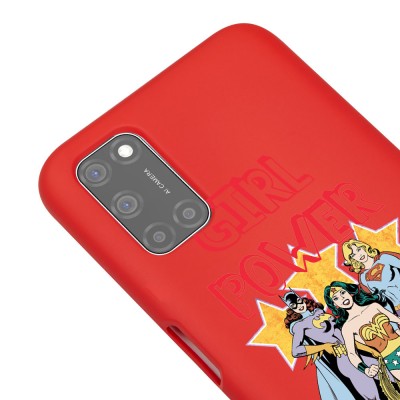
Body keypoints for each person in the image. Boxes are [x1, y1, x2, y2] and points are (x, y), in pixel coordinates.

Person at [281, 289, 382, 400]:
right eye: (294, 305)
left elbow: (342, 335)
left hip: (354, 348)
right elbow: (296, 351)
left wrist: (369, 349)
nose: (299, 306)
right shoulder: (299, 326)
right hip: (342, 356)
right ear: (290, 308)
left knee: (384, 374)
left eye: (299, 301)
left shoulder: (319, 312)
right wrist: (324, 346)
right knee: (369, 390)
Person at [325, 281, 400, 400]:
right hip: (391, 358)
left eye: (343, 293)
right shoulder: (347, 327)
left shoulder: (374, 306)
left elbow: (397, 321)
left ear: (350, 292)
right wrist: (365, 369)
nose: (342, 298)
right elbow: (352, 354)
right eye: (336, 298)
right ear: (335, 304)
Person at [342, 240, 400, 315]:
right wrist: (392, 315)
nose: (359, 255)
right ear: (352, 259)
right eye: (354, 255)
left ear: (364, 247)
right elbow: (381, 299)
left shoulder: (384, 257)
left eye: (359, 250)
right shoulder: (363, 278)